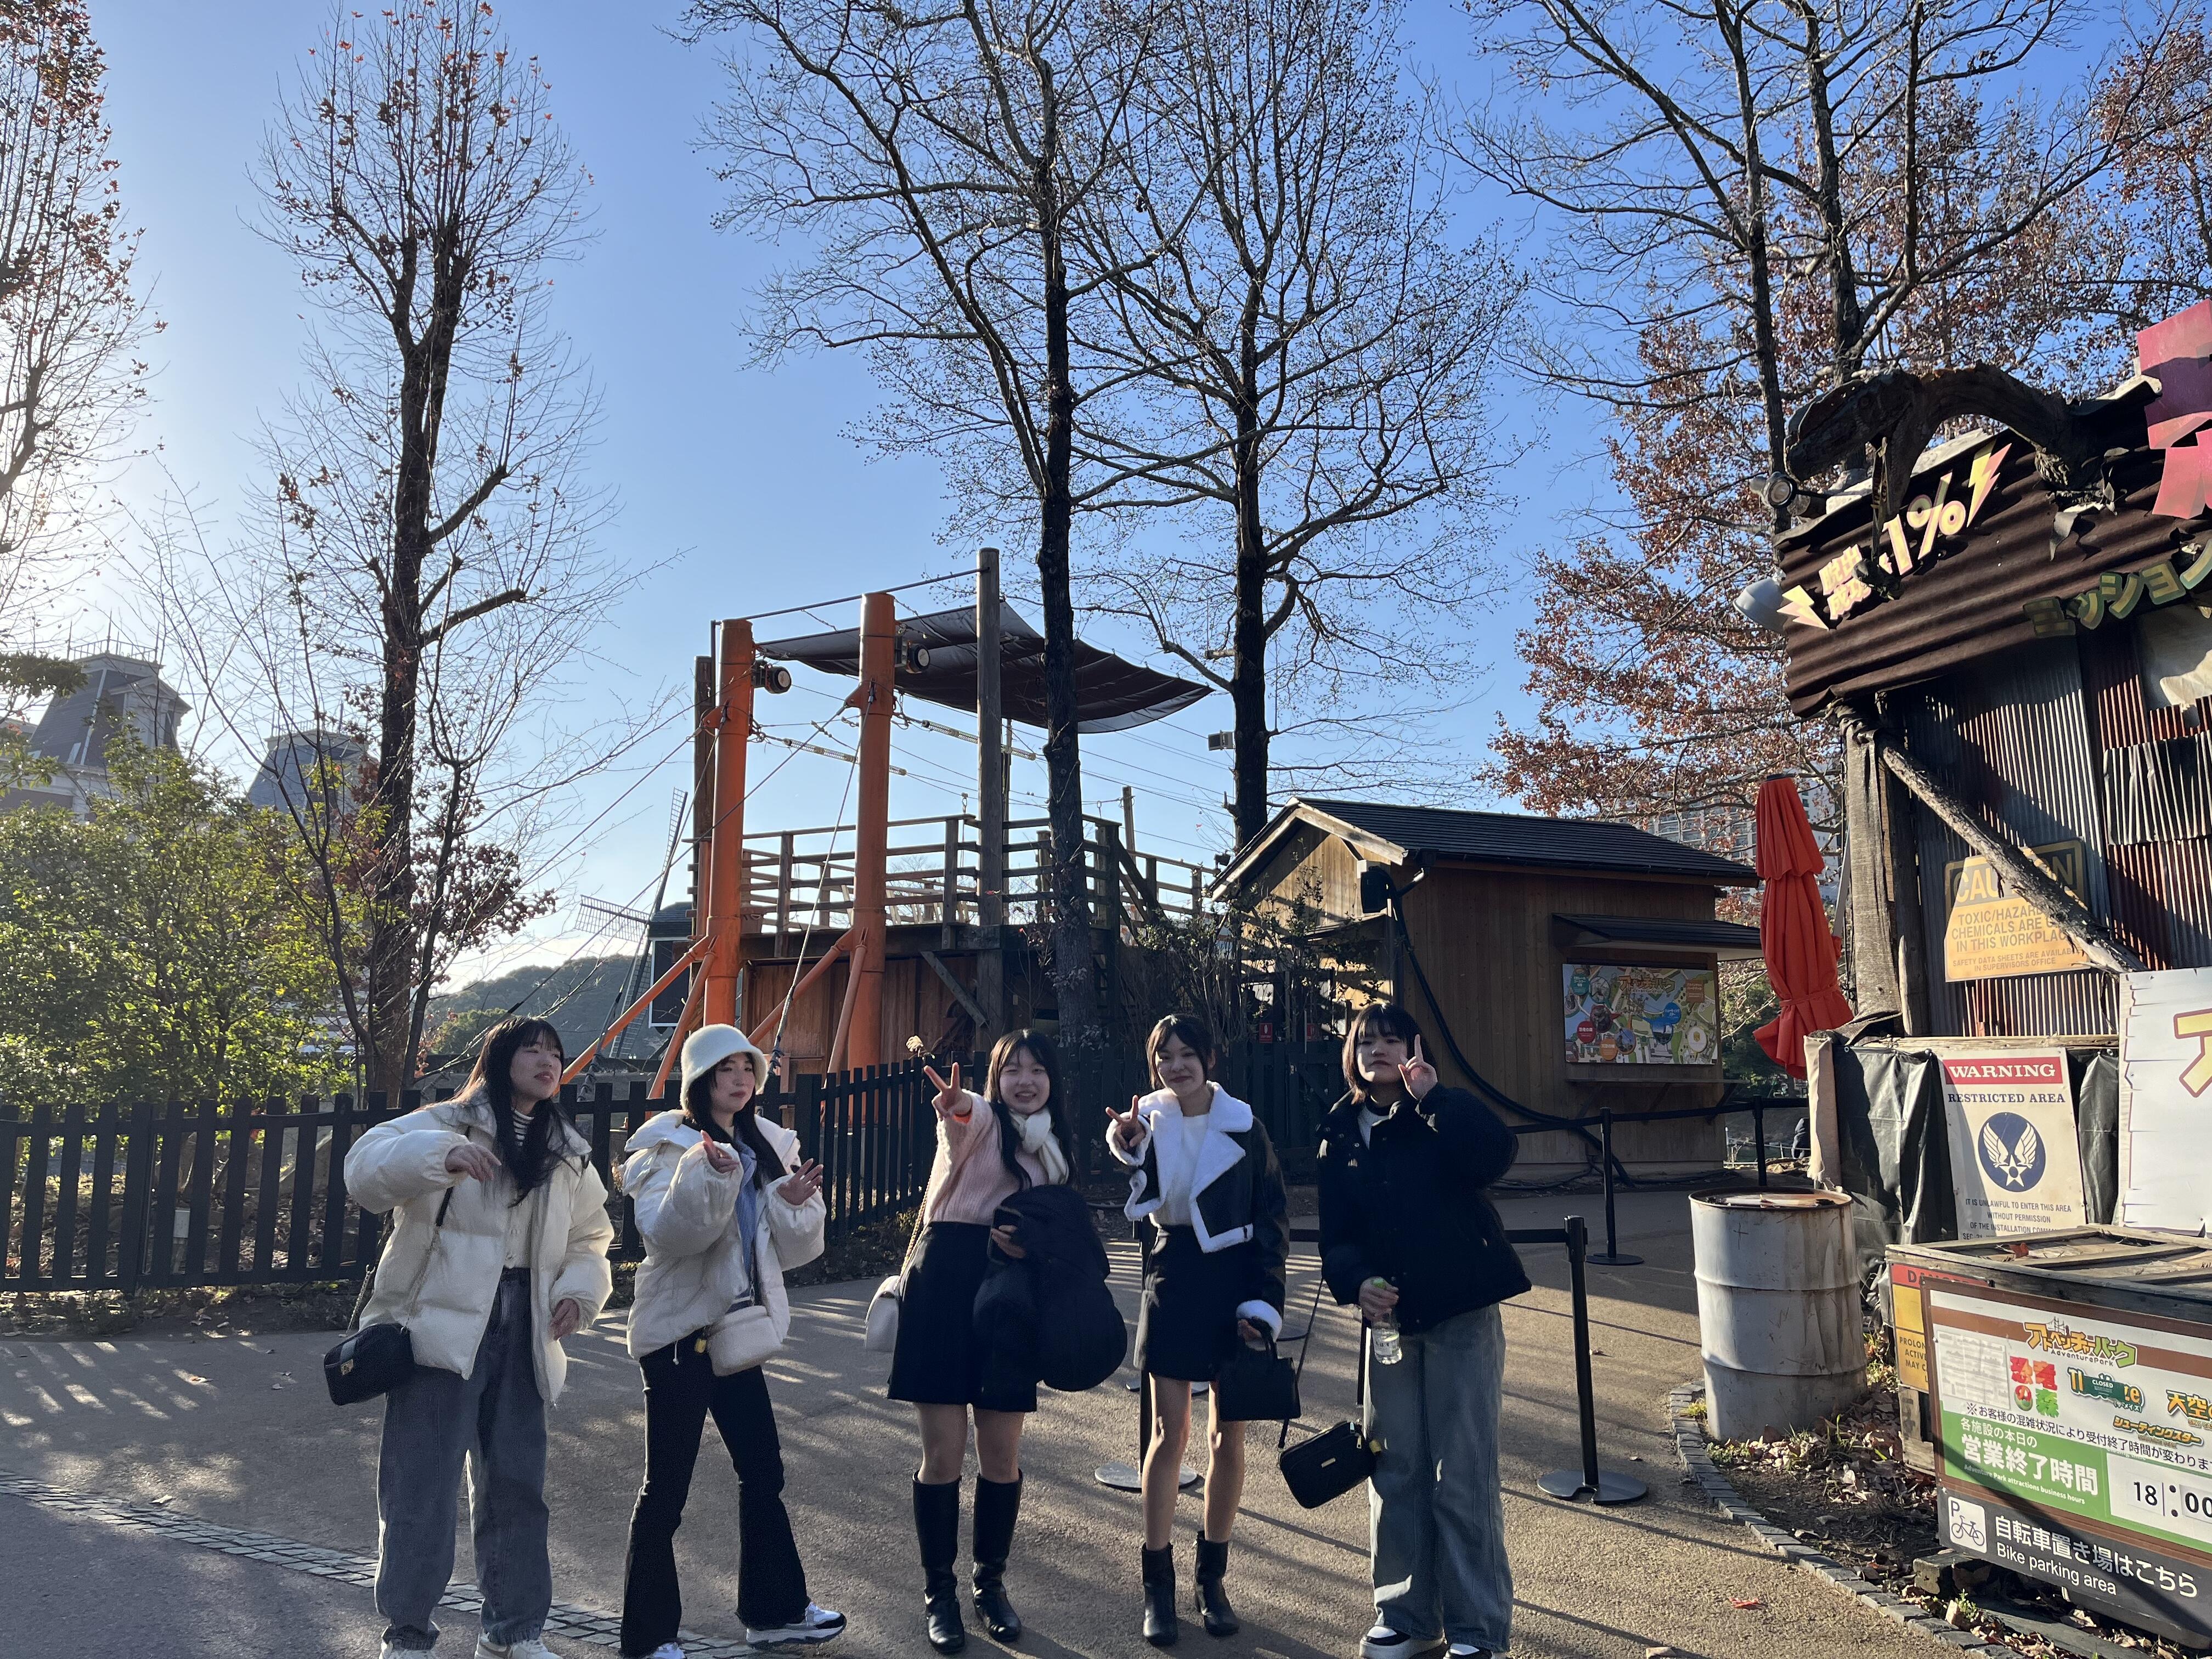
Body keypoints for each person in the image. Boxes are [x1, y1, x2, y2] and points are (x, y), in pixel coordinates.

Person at [344, 1017, 616, 1659]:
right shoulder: (447, 1122)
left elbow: (591, 1236)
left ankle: (513, 1630)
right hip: (440, 1323)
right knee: (421, 1485)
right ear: (500, 1058)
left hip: (528, 1324)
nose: (548, 1061)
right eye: (533, 1049)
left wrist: (579, 1292)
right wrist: (439, 1158)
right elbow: (364, 1169)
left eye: (556, 1052)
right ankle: (408, 1635)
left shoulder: (567, 1149)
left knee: (518, 1486)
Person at [616, 1024, 847, 1656]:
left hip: (736, 1328)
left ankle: (775, 1612)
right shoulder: (669, 1146)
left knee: (763, 1471)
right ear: (700, 1080)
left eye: (748, 1069)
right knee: (666, 1491)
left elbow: (791, 1254)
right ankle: (646, 1639)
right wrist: (711, 1177)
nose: (741, 1080)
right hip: (678, 1335)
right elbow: (670, 1236)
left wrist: (789, 1202)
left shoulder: (764, 1145)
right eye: (726, 1070)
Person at [1316, 1002, 1530, 1659]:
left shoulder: (1438, 1111)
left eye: (1391, 1040)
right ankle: (1406, 1617)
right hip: (1388, 1325)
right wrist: (1356, 1282)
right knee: (1396, 1468)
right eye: (1366, 1041)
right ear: (1352, 1055)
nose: (1377, 1051)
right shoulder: (1340, 1131)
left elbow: (1494, 1157)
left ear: (1415, 1048)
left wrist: (1435, 1098)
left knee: (1462, 1474)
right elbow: (1337, 1236)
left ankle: (1476, 1631)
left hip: (1461, 1313)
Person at [1106, 1014, 1289, 1647]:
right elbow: (1140, 1179)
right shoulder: (1149, 1121)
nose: (1176, 1066)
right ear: (1154, 1064)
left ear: (1210, 1058)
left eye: (1188, 1054)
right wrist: (1129, 1146)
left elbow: (1272, 1219)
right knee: (1169, 1432)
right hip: (1175, 1273)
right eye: (1165, 1057)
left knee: (1226, 1436)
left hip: (1234, 1280)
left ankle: (1212, 1580)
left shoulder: (1245, 1126)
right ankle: (1157, 1585)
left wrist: (1264, 1303)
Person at [894, 1031, 1077, 1654]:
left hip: (1010, 1297)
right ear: (995, 1080)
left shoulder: (1054, 1149)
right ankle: (939, 1593)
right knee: (943, 1455)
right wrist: (958, 1104)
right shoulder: (982, 1122)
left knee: (1001, 1456)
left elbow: (1059, 1232)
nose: (1025, 1081)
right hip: (946, 1283)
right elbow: (962, 1117)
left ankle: (989, 1584)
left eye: (1037, 1070)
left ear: (1052, 1080)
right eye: (1012, 1070)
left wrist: (1031, 1247)